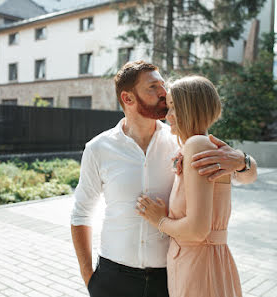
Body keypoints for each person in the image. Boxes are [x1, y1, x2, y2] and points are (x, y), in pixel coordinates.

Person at [71, 61, 257, 297]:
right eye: (153, 87)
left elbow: (244, 178)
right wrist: (90, 278)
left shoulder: (181, 141)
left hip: (168, 279)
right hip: (112, 279)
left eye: (162, 85)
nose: (163, 92)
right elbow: (81, 214)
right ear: (128, 99)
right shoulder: (98, 148)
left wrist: (243, 161)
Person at [137, 75, 249, 297]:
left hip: (198, 266)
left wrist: (159, 220)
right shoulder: (198, 146)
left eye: (173, 108)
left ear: (190, 109)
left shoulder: (197, 145)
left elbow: (197, 230)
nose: (167, 116)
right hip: (202, 263)